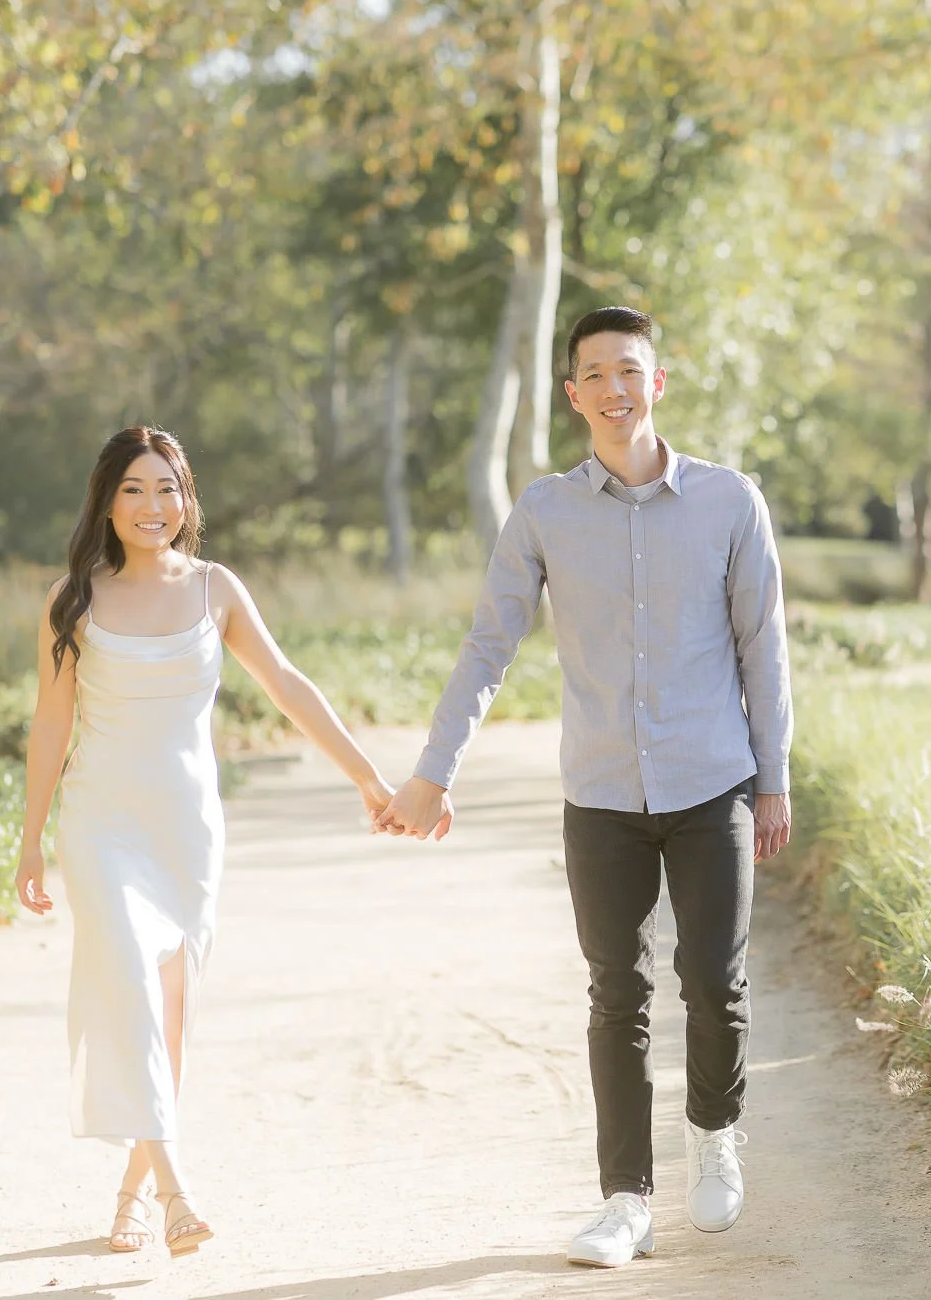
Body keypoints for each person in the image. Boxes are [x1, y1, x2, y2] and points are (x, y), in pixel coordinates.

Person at [379, 306, 793, 1269]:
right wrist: (433, 771)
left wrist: (772, 778)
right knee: (617, 992)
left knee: (713, 979)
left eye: (630, 370)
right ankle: (626, 1200)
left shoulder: (732, 502)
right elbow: (490, 642)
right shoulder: (545, 512)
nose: (615, 388)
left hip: (712, 782)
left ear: (659, 382)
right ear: (573, 395)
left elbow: (762, 649)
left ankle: (715, 1132)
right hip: (601, 792)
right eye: (595, 374)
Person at [15, 425, 394, 1256]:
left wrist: (368, 776)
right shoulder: (73, 595)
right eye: (134, 491)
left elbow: (287, 682)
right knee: (130, 988)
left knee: (171, 1013)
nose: (153, 507)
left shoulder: (216, 589)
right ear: (106, 503)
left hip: (185, 828)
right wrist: (32, 835)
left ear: (187, 500)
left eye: (167, 489)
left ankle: (131, 1195)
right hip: (99, 821)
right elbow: (52, 719)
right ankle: (178, 1192)